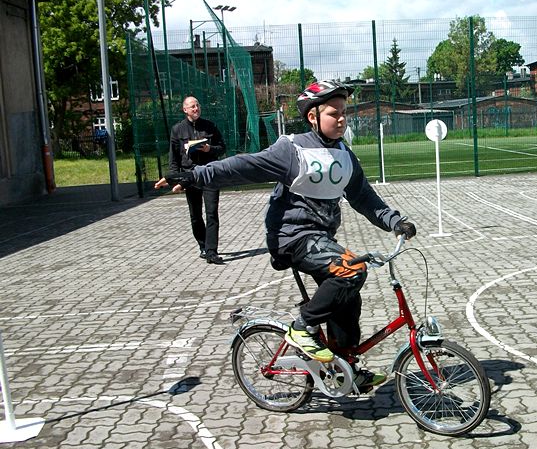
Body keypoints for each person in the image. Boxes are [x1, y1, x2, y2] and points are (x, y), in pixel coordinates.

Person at [156, 80, 416, 390]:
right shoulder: (293, 149)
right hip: (292, 236)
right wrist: (194, 175)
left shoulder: (344, 154)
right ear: (313, 117)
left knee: (348, 301)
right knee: (352, 270)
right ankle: (302, 328)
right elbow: (244, 165)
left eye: (345, 112)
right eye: (335, 113)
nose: (343, 119)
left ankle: (345, 366)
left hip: (321, 239)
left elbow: (364, 197)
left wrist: (394, 221)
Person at [168, 96, 227, 264]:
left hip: (209, 174)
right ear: (185, 110)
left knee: (212, 213)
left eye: (197, 105)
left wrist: (210, 148)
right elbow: (173, 158)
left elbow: (222, 148)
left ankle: (211, 251)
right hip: (190, 176)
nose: (196, 109)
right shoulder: (177, 130)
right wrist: (176, 180)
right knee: (195, 215)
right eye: (192, 107)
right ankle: (202, 245)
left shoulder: (210, 126)